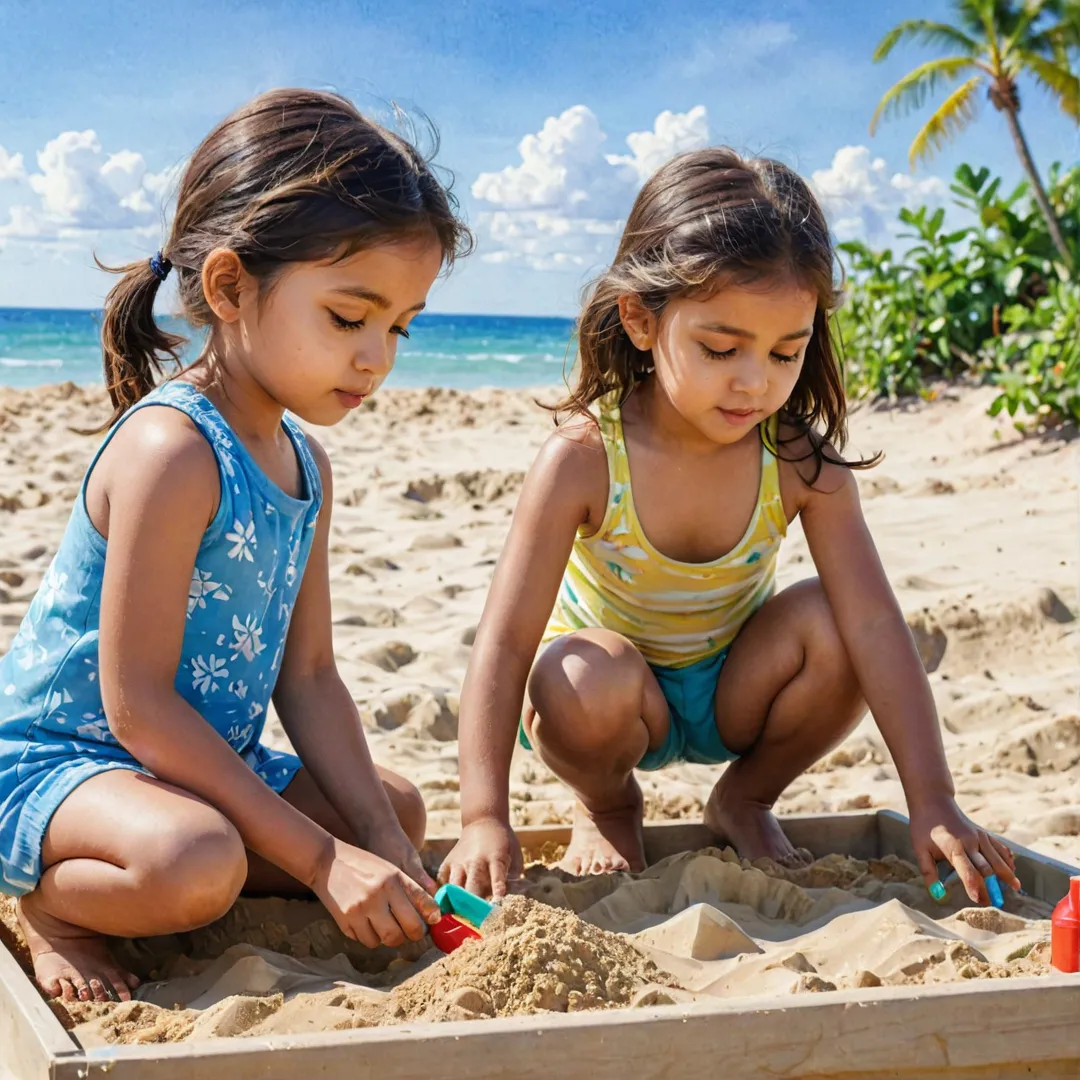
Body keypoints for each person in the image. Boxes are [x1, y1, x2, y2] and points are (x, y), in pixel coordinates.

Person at [440, 147, 1020, 909]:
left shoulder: (798, 462)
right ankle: (609, 808)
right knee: (579, 674)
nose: (757, 381)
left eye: (787, 351)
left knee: (842, 622)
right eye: (721, 348)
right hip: (611, 701)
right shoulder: (584, 459)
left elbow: (878, 625)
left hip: (737, 690)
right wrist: (484, 816)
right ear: (641, 320)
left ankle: (744, 798)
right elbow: (507, 642)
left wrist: (934, 799)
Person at [0, 87, 472, 1004]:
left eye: (399, 327)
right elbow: (135, 705)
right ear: (228, 287)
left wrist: (371, 840)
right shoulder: (171, 449)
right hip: (69, 761)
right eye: (349, 317)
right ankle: (48, 909)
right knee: (197, 862)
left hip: (204, 765)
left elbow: (311, 677)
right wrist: (318, 857)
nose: (377, 356)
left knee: (397, 806)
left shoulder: (306, 464)